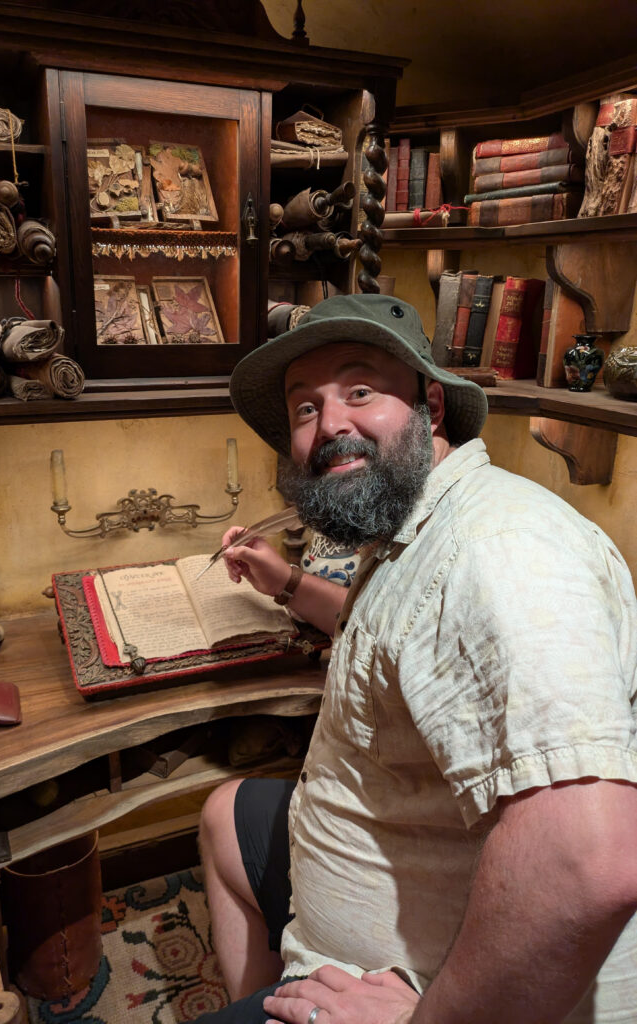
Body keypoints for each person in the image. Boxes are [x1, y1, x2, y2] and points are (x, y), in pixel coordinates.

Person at [194, 292, 637, 1024]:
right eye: (304, 408)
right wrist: (288, 583)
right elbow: (400, 641)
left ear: (430, 403)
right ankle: (275, 995)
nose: (328, 423)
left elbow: (586, 866)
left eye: (359, 390)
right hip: (385, 871)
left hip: (440, 992)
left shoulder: (499, 551)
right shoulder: (419, 526)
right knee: (225, 814)